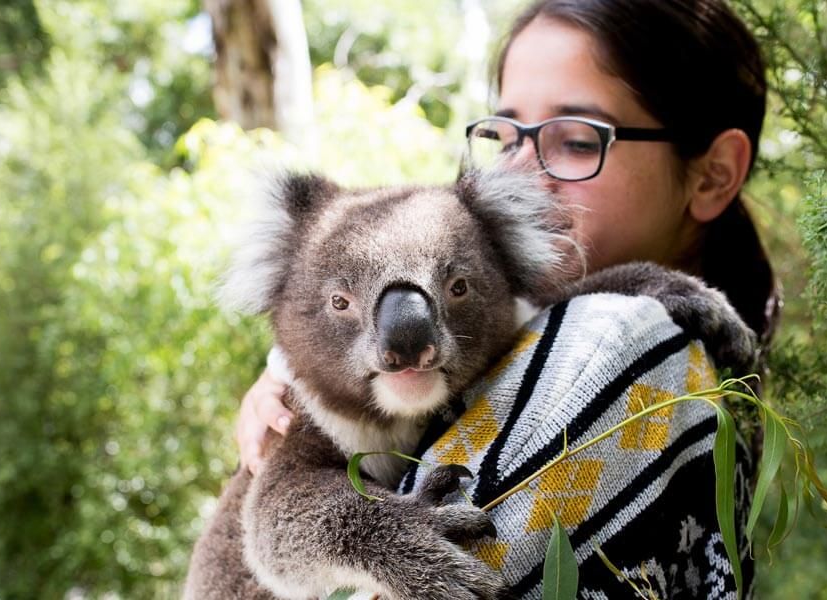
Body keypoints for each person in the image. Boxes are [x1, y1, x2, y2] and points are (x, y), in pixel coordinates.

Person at [234, 0, 778, 596]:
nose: (523, 171)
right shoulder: (682, 363)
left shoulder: (625, 347)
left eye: (575, 140)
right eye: (506, 135)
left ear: (713, 173)